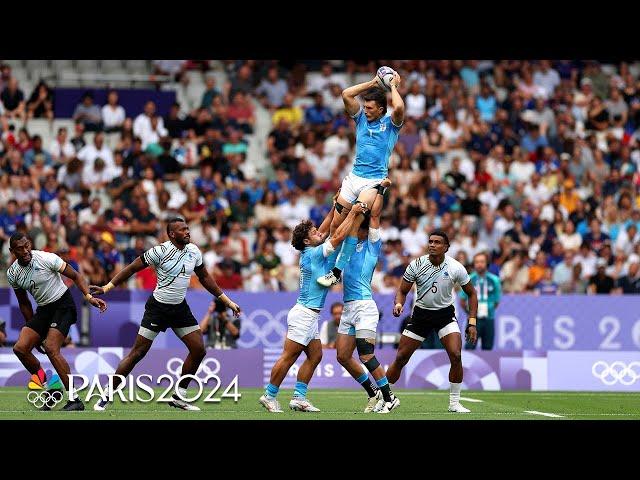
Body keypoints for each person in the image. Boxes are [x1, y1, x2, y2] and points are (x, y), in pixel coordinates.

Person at [90, 218, 241, 412]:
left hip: (179, 308)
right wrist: (107, 287)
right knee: (137, 353)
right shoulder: (159, 251)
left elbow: (204, 277)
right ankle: (107, 394)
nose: (188, 232)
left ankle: (180, 396)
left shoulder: (194, 251)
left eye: (188, 228)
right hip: (158, 309)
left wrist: (227, 302)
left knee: (199, 350)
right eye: (183, 229)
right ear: (172, 234)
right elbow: (132, 268)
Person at [259, 201, 367, 413]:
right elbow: (336, 237)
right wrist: (352, 213)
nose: (320, 232)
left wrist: (337, 207)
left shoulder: (311, 249)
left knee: (315, 355)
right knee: (288, 357)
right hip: (303, 314)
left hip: (310, 315)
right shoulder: (313, 253)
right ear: (307, 240)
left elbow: (327, 226)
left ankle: (299, 397)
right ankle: (269, 395)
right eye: (315, 232)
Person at [318, 69, 405, 287]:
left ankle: (337, 271)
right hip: (354, 177)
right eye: (364, 107)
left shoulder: (391, 124)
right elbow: (347, 94)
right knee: (336, 227)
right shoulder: (360, 120)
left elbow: (400, 107)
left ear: (381, 109)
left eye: (369, 108)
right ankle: (329, 269)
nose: (365, 110)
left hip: (373, 181)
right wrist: (375, 82)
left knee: (356, 217)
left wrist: (392, 86)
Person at [7, 233, 107, 411]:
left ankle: (74, 399)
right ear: (12, 251)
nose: (25, 251)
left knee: (52, 348)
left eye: (26, 246)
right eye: (19, 249)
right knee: (20, 348)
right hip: (44, 310)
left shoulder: (47, 258)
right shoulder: (13, 273)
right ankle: (52, 388)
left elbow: (76, 276)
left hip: (63, 305)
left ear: (29, 244)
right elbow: (23, 303)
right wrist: (35, 333)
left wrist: (89, 297)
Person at [387, 230, 478, 413]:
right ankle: (383, 396)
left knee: (456, 355)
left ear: (446, 247)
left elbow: (471, 293)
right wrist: (398, 303)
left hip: (445, 316)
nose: (432, 245)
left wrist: (472, 322)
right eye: (430, 241)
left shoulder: (455, 267)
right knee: (401, 358)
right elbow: (403, 290)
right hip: (421, 315)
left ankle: (454, 403)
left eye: (437, 242)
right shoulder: (416, 264)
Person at [334, 178, 400, 413]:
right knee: (342, 355)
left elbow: (374, 216)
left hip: (364, 306)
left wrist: (380, 189)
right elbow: (338, 226)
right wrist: (340, 201)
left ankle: (389, 397)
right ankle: (373, 393)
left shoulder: (372, 245)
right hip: (348, 307)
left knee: (365, 354)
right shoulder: (346, 247)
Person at [459, 252, 501, 350]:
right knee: (469, 347)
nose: (479, 264)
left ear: (487, 263)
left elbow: (496, 301)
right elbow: (462, 300)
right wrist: (471, 313)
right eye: (477, 262)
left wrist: (489, 309)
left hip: (489, 318)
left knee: (488, 348)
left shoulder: (494, 279)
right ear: (474, 264)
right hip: (474, 320)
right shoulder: (468, 279)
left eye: (482, 262)